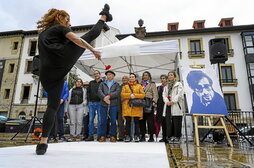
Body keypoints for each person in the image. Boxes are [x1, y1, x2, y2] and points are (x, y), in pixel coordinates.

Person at [36, 4, 112, 155]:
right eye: (68, 20)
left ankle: (43, 142)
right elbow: (76, 39)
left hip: (47, 74)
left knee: (52, 107)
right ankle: (104, 17)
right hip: (61, 59)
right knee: (89, 37)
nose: (70, 24)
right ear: (60, 18)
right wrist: (92, 50)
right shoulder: (60, 28)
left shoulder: (42, 34)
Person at [98, 70, 121, 142]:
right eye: (107, 75)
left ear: (113, 76)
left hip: (113, 104)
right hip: (103, 104)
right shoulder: (102, 83)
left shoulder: (117, 84)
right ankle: (102, 136)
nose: (109, 76)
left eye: (110, 74)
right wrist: (104, 98)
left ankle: (113, 136)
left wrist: (109, 96)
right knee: (102, 121)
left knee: (113, 121)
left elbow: (117, 92)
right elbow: (99, 91)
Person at [121, 73, 145, 142]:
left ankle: (136, 135)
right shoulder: (125, 86)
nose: (131, 78)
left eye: (133, 77)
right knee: (127, 122)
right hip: (127, 106)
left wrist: (134, 95)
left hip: (136, 106)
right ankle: (128, 136)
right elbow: (122, 94)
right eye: (130, 77)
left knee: (136, 122)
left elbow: (143, 95)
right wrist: (129, 95)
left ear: (135, 78)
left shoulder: (139, 86)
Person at [162, 71, 184, 143]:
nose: (170, 76)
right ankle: (170, 136)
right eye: (169, 75)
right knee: (169, 122)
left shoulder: (179, 84)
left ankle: (177, 136)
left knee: (176, 121)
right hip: (168, 105)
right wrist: (167, 101)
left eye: (171, 75)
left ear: (174, 76)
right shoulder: (166, 86)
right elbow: (164, 95)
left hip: (176, 105)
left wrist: (173, 101)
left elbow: (180, 94)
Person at [139, 71, 158, 142]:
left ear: (149, 76)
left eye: (146, 75)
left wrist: (154, 102)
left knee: (150, 121)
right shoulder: (140, 84)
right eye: (144, 75)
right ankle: (143, 136)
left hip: (149, 102)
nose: (145, 77)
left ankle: (151, 136)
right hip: (141, 103)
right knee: (142, 121)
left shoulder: (152, 84)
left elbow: (155, 94)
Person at [85, 70, 103, 141]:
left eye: (97, 73)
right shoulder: (91, 83)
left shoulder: (103, 83)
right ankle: (91, 135)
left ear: (100, 74)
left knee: (100, 120)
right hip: (91, 103)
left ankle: (99, 135)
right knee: (91, 120)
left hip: (100, 103)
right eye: (94, 74)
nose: (96, 75)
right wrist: (89, 101)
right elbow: (88, 92)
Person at [156, 74, 168, 142]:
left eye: (164, 78)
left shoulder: (168, 87)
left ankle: (168, 136)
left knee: (168, 122)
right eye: (161, 78)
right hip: (160, 106)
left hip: (167, 105)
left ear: (166, 79)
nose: (162, 79)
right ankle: (164, 137)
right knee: (162, 122)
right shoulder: (159, 88)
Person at [117, 75, 129, 141]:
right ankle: (121, 136)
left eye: (125, 78)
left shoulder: (130, 86)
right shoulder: (119, 87)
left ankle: (128, 136)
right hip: (120, 106)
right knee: (120, 122)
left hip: (128, 106)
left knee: (128, 122)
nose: (124, 79)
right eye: (123, 78)